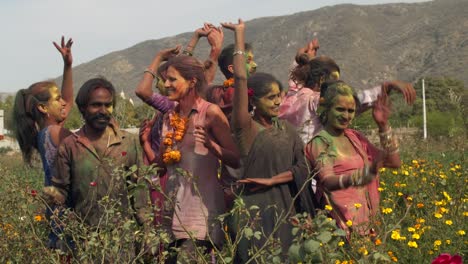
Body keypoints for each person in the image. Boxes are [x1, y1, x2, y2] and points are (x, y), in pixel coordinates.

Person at [221, 19, 315, 263]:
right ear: (252, 101)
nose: (277, 102)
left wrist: (272, 179)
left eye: (279, 97)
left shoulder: (287, 129)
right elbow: (241, 80)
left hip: (288, 209)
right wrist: (239, 37)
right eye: (270, 97)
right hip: (254, 212)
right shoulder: (246, 129)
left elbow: (303, 167)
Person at [149, 55, 239, 263]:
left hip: (200, 212)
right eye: (165, 80)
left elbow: (235, 159)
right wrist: (147, 147)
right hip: (173, 212)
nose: (166, 85)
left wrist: (211, 145)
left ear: (192, 82)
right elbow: (162, 165)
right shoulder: (169, 117)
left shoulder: (210, 113)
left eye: (172, 79)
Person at [49, 78, 150, 251]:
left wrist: (147, 231)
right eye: (96, 105)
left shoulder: (128, 142)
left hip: (122, 239)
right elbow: (59, 193)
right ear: (82, 108)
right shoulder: (70, 145)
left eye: (108, 105)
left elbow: (138, 189)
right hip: (85, 241)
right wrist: (65, 232)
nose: (103, 111)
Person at [305, 80, 401, 237]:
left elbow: (394, 162)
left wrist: (383, 125)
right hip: (340, 227)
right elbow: (328, 181)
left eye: (350, 111)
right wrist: (358, 177)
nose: (346, 116)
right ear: (327, 110)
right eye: (340, 109)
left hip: (369, 224)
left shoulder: (355, 137)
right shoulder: (320, 142)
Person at [12, 36, 74, 249]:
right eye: (57, 100)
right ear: (43, 108)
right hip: (68, 216)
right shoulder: (56, 132)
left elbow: (67, 101)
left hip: (57, 214)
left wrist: (67, 67)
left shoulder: (45, 133)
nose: (63, 102)